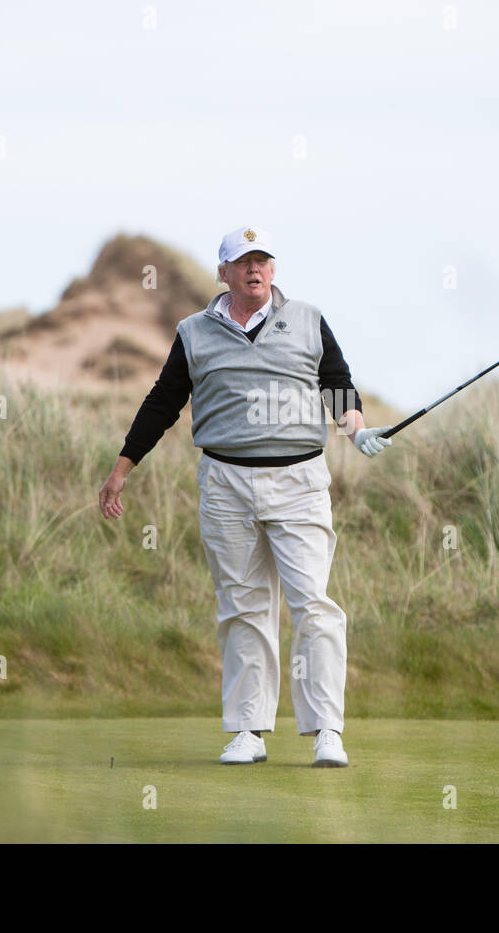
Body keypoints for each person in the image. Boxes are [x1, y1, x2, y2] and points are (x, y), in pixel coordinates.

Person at [98, 225, 392, 767]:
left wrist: (357, 428)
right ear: (223, 273)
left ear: (273, 270)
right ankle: (249, 731)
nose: (254, 270)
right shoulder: (193, 332)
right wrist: (122, 469)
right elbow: (163, 402)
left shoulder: (307, 319)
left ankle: (327, 729)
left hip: (299, 481)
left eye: (263, 261)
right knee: (243, 608)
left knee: (315, 606)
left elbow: (338, 385)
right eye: (243, 262)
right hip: (226, 483)